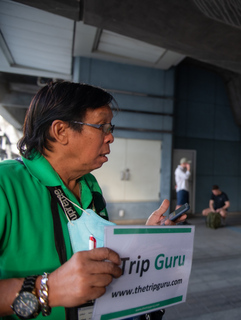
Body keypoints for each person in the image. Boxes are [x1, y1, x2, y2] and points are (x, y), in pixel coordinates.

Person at [0, 81, 186, 320]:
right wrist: (48, 289)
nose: (111, 138)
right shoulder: (6, 185)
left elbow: (99, 254)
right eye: (102, 126)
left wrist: (144, 239)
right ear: (61, 131)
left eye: (111, 127)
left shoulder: (90, 186)